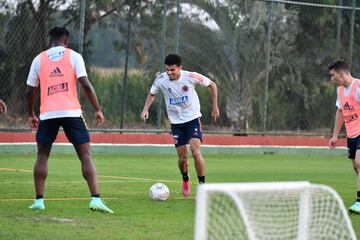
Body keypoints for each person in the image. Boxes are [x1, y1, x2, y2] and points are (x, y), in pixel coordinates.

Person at [26, 26, 113, 213]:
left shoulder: (38, 59)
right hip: (72, 113)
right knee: (85, 155)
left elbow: (29, 90)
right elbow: (86, 86)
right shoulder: (74, 56)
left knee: (42, 155)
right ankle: (95, 199)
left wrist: (30, 114)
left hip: (48, 114)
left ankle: (39, 201)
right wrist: (97, 109)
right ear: (66, 40)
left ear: (51, 40)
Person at [141, 54, 219, 197]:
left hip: (193, 119)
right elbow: (152, 93)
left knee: (196, 152)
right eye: (167, 70)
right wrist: (146, 109)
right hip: (176, 123)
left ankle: (202, 187)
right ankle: (185, 178)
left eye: (172, 70)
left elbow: (212, 85)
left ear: (180, 68)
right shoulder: (161, 80)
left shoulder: (190, 76)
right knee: (183, 159)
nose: (169, 73)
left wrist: (215, 107)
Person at [328, 59, 360, 213]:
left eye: (333, 75)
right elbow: (340, 111)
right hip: (352, 134)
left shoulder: (358, 87)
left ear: (341, 74)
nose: (331, 79)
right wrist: (335, 136)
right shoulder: (340, 90)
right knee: (356, 166)